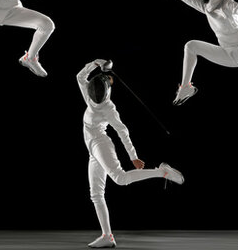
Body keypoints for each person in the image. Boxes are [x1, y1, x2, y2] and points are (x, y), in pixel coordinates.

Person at [77, 59, 185, 248]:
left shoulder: (109, 109)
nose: (95, 101)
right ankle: (107, 236)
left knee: (120, 178)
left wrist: (133, 157)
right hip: (92, 150)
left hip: (101, 144)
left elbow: (123, 132)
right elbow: (80, 76)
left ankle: (162, 172)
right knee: (96, 194)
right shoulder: (89, 92)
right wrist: (96, 62)